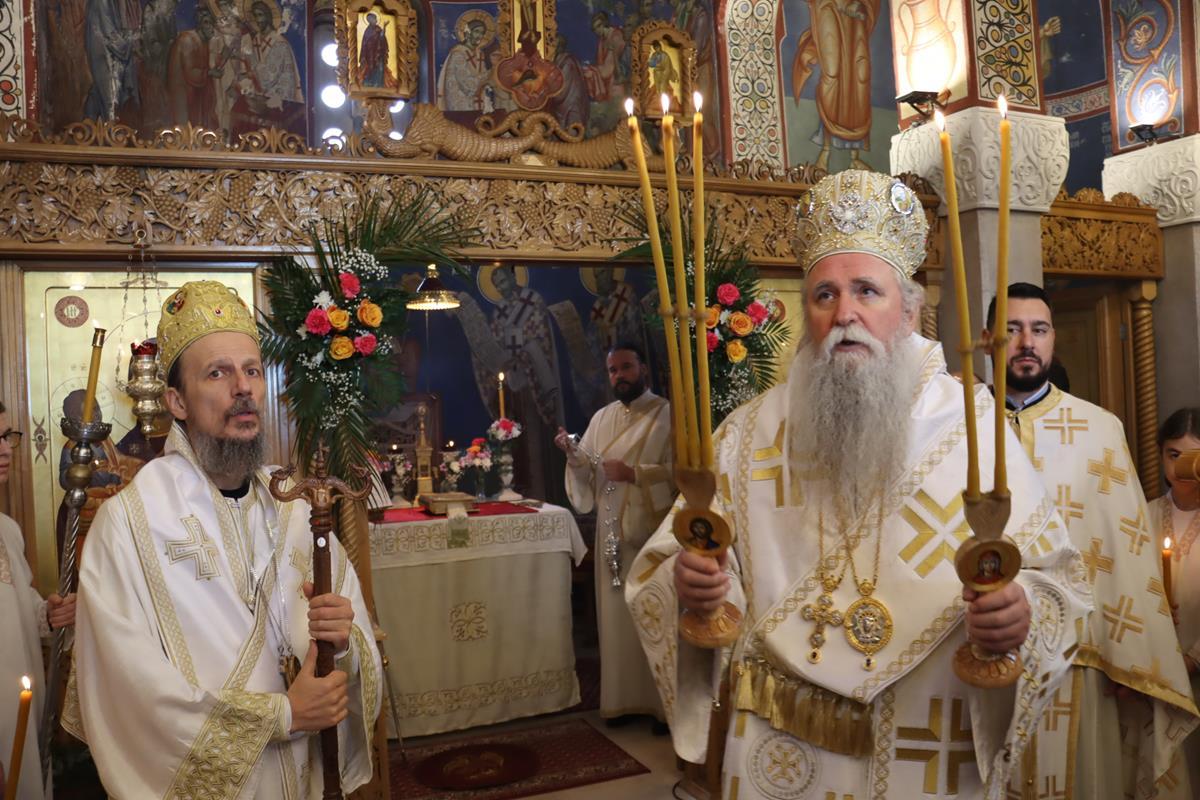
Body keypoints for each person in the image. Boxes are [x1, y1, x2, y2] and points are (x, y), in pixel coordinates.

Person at [625, 170, 1090, 798]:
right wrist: (697, 587)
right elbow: (676, 558)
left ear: (909, 310)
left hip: (927, 731)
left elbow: (1057, 581)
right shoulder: (750, 431)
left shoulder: (973, 426)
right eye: (825, 294)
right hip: (778, 738)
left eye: (866, 291)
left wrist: (1018, 614)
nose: (844, 313)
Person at [65, 281, 382, 798]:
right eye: (218, 373)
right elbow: (127, 690)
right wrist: (283, 714)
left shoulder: (300, 509)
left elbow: (355, 650)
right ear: (177, 401)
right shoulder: (129, 526)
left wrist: (342, 643)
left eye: (252, 370)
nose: (243, 388)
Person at [984, 282, 1197, 797]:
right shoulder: (956, 426)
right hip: (980, 651)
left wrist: (1137, 658)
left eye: (1039, 329)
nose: (1027, 343)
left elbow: (1127, 553)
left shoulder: (1098, 430)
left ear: (1054, 338)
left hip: (1079, 655)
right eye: (1012, 330)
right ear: (988, 339)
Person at [556, 342, 673, 730]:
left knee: (652, 612)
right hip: (611, 531)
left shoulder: (667, 414)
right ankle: (622, 702)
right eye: (613, 370)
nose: (619, 376)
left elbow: (684, 471)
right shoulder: (602, 417)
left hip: (651, 534)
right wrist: (572, 453)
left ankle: (661, 706)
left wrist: (636, 474)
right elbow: (587, 468)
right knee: (615, 614)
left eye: (626, 367)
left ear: (643, 369)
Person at [0, 401, 76, 800]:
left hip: (21, 716)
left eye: (6, 437)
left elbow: (19, 609)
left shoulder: (7, 529)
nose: (5, 450)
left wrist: (48, 613)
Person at [1150, 408, 1200, 789]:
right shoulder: (1143, 514)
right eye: (1174, 455)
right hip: (1154, 673)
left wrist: (1193, 659)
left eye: (1194, 456)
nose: (1183, 467)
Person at [791, 0, 879, 170]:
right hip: (827, 5)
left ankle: (855, 157)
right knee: (832, 74)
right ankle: (825, 150)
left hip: (855, 13)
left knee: (859, 79)